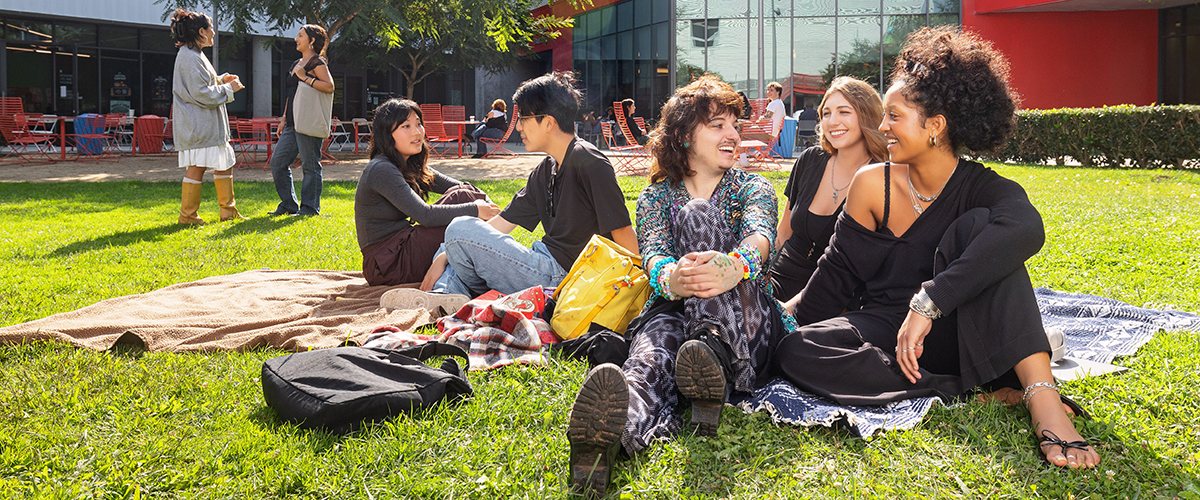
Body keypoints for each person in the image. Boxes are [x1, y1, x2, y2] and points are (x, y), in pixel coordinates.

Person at [772, 26, 1101, 469]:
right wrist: (775, 315)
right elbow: (834, 278)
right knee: (796, 349)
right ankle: (962, 392)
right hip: (890, 331)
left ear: (935, 126)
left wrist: (928, 302)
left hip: (965, 329)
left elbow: (1027, 229)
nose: (881, 127)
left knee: (983, 231)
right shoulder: (872, 183)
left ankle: (1042, 401)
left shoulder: (980, 188)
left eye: (893, 116)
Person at [565, 75, 779, 497]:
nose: (733, 134)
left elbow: (760, 235)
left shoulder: (752, 186)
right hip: (674, 313)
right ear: (683, 135)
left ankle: (712, 352)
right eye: (718, 125)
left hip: (745, 317)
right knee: (651, 356)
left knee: (698, 213)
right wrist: (672, 279)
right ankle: (601, 445)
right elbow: (654, 256)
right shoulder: (655, 197)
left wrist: (736, 265)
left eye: (735, 125)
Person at [421, 72, 638, 298]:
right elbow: (500, 224)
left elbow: (622, 230)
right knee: (454, 242)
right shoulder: (545, 169)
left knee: (459, 229)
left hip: (567, 276)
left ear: (548, 123)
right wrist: (447, 252)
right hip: (540, 262)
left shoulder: (590, 161)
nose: (518, 128)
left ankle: (445, 292)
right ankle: (445, 297)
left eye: (523, 119)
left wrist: (636, 290)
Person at [354, 99, 499, 293]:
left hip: (400, 250)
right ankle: (503, 256)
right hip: (388, 264)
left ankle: (499, 254)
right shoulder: (381, 169)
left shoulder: (409, 164)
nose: (417, 132)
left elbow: (461, 187)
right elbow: (425, 215)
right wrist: (477, 209)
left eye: (418, 124)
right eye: (406, 126)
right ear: (387, 134)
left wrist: (483, 203)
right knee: (463, 197)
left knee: (462, 192)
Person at [769, 76, 888, 301]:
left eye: (844, 112)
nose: (833, 121)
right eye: (826, 113)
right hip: (779, 278)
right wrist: (759, 278)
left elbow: (860, 269)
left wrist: (787, 310)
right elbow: (784, 232)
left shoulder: (880, 178)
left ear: (867, 116)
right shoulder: (810, 160)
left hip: (830, 296)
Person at [170, 8, 246, 225]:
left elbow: (201, 87)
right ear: (201, 31)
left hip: (204, 125)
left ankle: (227, 211)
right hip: (199, 125)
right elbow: (201, 94)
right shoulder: (190, 57)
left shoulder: (193, 55)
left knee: (224, 163)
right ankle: (188, 215)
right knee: (198, 166)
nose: (214, 32)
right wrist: (229, 88)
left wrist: (221, 80)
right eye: (211, 28)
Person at [267, 24, 335, 217]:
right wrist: (283, 119)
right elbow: (292, 94)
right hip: (292, 122)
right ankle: (289, 204)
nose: (296, 39)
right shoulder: (297, 63)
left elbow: (329, 87)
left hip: (308, 121)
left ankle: (310, 208)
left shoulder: (317, 62)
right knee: (278, 162)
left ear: (312, 41)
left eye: (300, 35)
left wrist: (305, 77)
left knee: (310, 165)